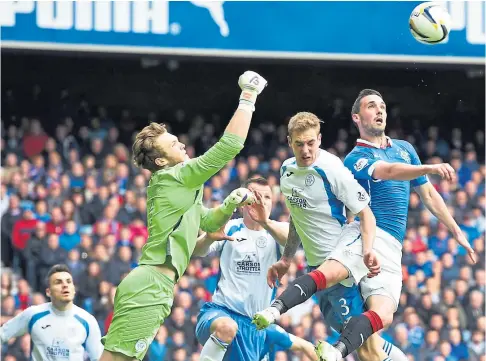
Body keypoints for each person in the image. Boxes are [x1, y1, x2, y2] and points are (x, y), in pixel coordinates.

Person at [258, 89, 477, 361]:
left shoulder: (405, 149)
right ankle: (279, 312)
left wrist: (456, 231)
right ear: (357, 117)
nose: (380, 110)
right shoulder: (355, 158)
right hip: (365, 236)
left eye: (383, 106)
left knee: (382, 317)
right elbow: (389, 171)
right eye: (372, 106)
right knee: (341, 293)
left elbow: (429, 194)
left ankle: (338, 351)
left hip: (393, 248)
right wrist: (429, 168)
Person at [99, 71, 268, 361]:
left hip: (154, 284)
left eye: (178, 140)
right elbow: (229, 147)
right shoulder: (176, 176)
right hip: (151, 284)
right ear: (162, 160)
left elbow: (207, 222)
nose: (181, 144)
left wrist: (228, 206)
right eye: (173, 144)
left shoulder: (174, 188)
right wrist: (248, 97)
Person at [252, 111, 409, 361]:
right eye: (299, 144)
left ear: (320, 139)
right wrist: (286, 259)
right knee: (365, 344)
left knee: (366, 351)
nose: (306, 150)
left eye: (311, 143)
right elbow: (297, 218)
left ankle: (273, 311)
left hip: (342, 266)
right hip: (318, 267)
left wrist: (367, 250)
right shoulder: (286, 172)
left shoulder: (331, 168)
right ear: (289, 142)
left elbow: (365, 214)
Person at [193, 177, 317, 361]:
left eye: (266, 197)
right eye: (254, 196)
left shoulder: (277, 229)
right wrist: (209, 238)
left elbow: (291, 240)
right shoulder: (231, 227)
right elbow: (198, 250)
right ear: (242, 203)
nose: (261, 201)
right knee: (226, 327)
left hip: (255, 325)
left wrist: (265, 221)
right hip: (220, 312)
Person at [0, 264, 103, 361]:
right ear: (48, 292)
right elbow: (2, 334)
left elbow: (99, 358)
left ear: (74, 289)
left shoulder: (87, 320)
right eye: (58, 282)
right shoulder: (33, 315)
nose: (65, 285)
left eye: (68, 281)